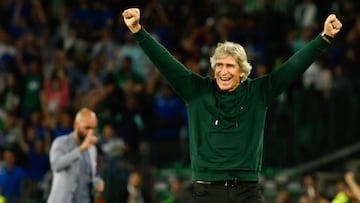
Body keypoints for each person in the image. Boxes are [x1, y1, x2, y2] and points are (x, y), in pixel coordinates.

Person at [122, 8, 342, 203]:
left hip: (247, 190)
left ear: (242, 71)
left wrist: (324, 38)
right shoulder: (197, 91)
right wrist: (138, 31)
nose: (223, 71)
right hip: (206, 191)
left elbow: (293, 67)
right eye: (219, 65)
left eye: (229, 66)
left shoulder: (258, 93)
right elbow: (166, 62)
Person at [47, 108, 104, 203]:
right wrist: (81, 149)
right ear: (76, 125)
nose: (91, 132)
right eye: (87, 128)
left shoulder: (92, 149)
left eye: (93, 128)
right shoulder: (61, 142)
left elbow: (91, 174)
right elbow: (56, 165)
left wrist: (97, 181)